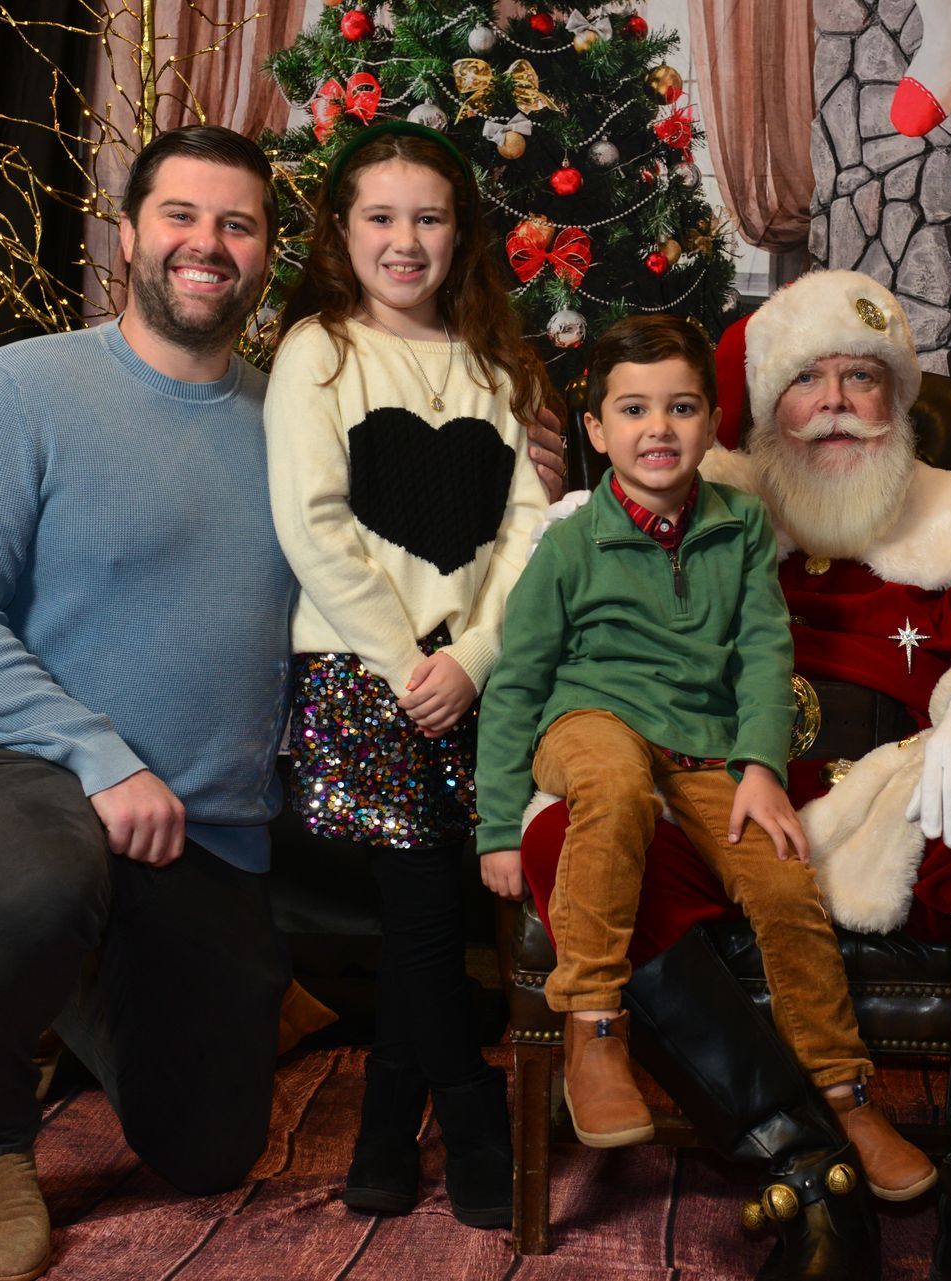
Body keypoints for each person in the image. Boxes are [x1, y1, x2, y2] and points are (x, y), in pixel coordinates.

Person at [521, 270, 951, 1281]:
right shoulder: (691, 513)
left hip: (906, 830)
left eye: (863, 377)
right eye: (806, 379)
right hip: (732, 830)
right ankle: (809, 1173)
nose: (836, 403)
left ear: (899, 400)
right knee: (562, 831)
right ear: (760, 408)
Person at [0, 125, 296, 1281]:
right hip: (24, 765)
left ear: (265, 256)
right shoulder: (19, 389)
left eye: (237, 224)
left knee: (211, 1152)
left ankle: (71, 972)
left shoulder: (294, 427)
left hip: (206, 829)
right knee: (34, 886)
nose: (207, 244)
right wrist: (101, 757)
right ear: (129, 235)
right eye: (181, 216)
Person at [476, 315, 936, 1199]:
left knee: (785, 880)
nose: (658, 428)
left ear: (714, 421)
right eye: (633, 410)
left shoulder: (742, 525)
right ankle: (595, 1026)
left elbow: (764, 653)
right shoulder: (569, 544)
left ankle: (844, 1095)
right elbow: (516, 683)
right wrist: (499, 826)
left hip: (705, 749)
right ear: (596, 429)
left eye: (681, 407)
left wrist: (759, 765)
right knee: (613, 784)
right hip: (589, 720)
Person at [262, 119, 551, 1230]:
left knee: (432, 901)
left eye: (428, 218)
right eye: (380, 217)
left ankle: (388, 1120)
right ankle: (471, 1114)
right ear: (341, 231)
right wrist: (405, 662)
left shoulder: (495, 364)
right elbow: (313, 522)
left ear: (460, 231)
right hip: (357, 667)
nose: (405, 240)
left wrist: (473, 658)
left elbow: (529, 528)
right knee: (426, 894)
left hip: (474, 674)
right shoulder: (320, 352)